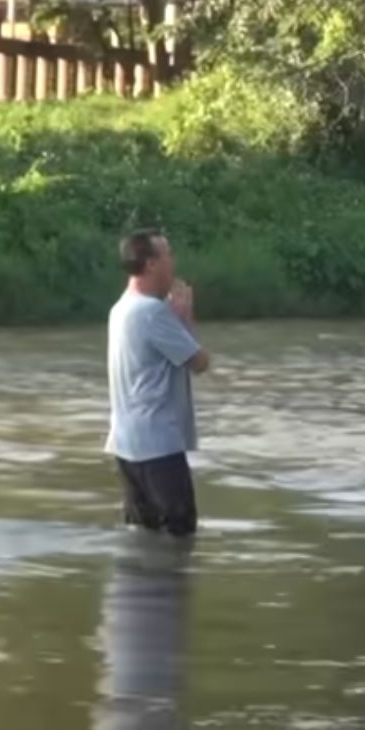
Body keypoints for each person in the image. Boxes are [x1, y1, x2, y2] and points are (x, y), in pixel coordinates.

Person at [105, 228, 211, 537]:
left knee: (145, 538)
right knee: (180, 536)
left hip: (126, 445)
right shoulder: (152, 312)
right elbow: (200, 362)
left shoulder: (121, 307)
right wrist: (185, 317)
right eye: (168, 254)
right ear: (151, 264)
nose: (173, 261)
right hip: (157, 447)